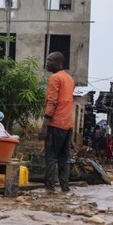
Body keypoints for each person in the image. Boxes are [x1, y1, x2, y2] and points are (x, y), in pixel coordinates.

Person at [38, 52, 75, 193]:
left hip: (55, 123)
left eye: (50, 60)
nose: (47, 62)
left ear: (58, 63)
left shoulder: (55, 78)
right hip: (68, 125)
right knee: (64, 158)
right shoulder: (69, 79)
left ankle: (49, 189)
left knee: (51, 157)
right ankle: (65, 188)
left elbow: (52, 101)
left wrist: (44, 125)